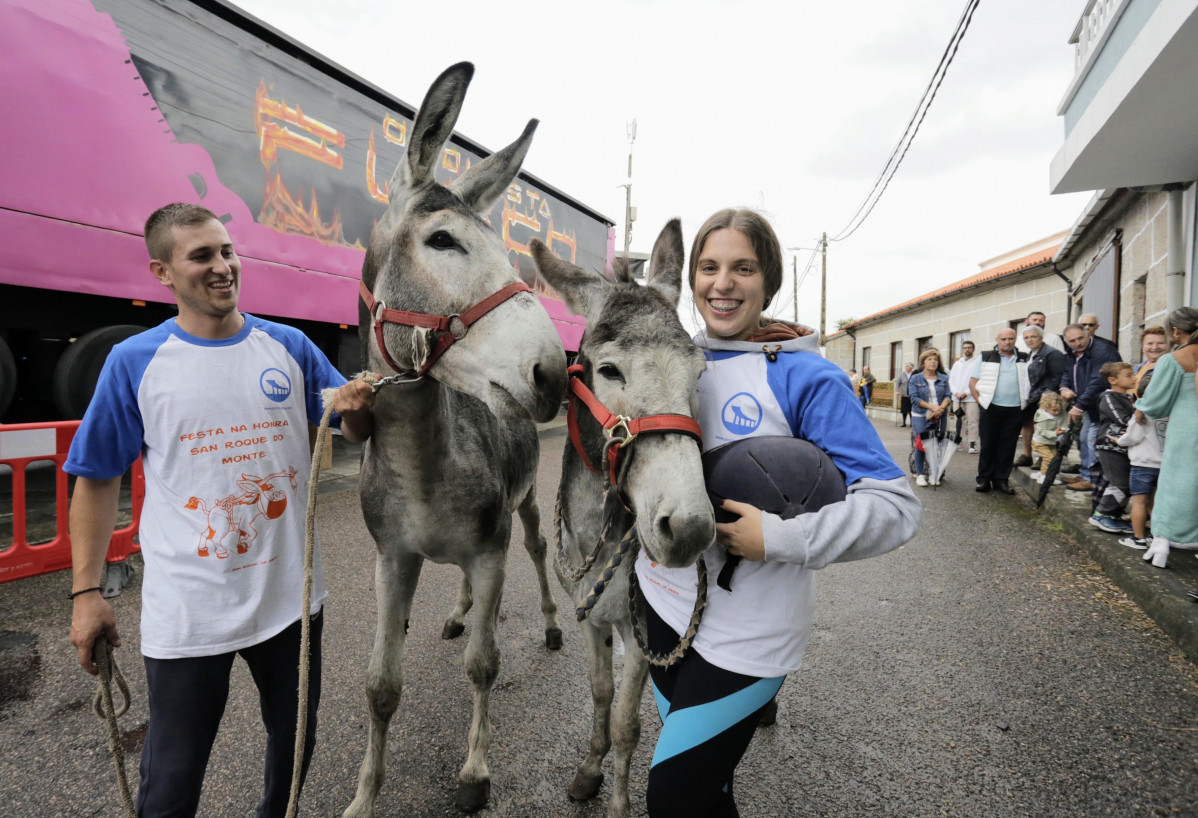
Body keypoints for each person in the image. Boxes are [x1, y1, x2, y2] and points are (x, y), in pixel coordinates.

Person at [66, 203, 377, 818]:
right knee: (173, 778)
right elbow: (97, 478)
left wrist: (357, 402)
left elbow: (355, 431)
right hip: (188, 610)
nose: (222, 267)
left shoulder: (288, 346)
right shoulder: (134, 362)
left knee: (294, 751)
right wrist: (86, 593)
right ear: (162, 271)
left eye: (227, 251)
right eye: (201, 256)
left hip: (289, 602)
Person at [634, 208, 920, 818]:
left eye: (743, 268)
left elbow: (896, 506)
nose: (722, 283)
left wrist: (781, 537)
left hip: (750, 632)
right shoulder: (663, 358)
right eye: (708, 268)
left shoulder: (806, 375)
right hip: (660, 604)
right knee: (709, 786)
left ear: (769, 282)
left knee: (673, 797)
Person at [1138, 306, 1198, 569]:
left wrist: (1140, 404)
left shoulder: (1173, 359)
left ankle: (1162, 542)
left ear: (1175, 331)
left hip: (1187, 429)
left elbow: (1156, 404)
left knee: (1175, 483)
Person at [1059, 322, 1122, 493]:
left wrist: (1079, 405)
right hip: (1090, 405)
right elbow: (1067, 372)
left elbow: (1098, 382)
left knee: (1093, 440)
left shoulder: (1102, 351)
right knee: (1085, 436)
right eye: (1072, 341)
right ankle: (1085, 473)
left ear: (1088, 334)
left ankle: (1092, 478)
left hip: (1103, 404)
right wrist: (1064, 388)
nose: (1077, 343)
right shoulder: (1074, 353)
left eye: (1080, 338)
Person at [969, 328, 1029, 495]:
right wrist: (980, 402)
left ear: (1015, 340)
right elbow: (973, 382)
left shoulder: (1024, 358)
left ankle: (1001, 480)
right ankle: (983, 479)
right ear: (997, 340)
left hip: (1015, 409)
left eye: (1010, 339)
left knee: (1007, 447)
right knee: (988, 444)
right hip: (991, 407)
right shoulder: (986, 356)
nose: (1007, 342)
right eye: (1003, 339)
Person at [1090, 362, 1137, 534]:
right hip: (1109, 446)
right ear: (1113, 380)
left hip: (1124, 446)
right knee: (1120, 483)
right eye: (1128, 375)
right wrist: (1138, 418)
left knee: (1128, 484)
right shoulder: (1108, 397)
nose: (1134, 378)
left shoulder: (1130, 397)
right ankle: (1101, 514)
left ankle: (1115, 515)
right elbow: (1123, 419)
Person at [1114, 407, 1166, 550]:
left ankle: (1139, 538)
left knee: (1139, 502)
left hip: (1142, 464)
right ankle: (1157, 538)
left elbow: (1131, 437)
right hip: (1163, 465)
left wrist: (1118, 440)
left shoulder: (1142, 413)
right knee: (1155, 503)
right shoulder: (1168, 412)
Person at [1017, 326, 1067, 466]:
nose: (1030, 340)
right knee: (1027, 425)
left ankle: (1043, 457)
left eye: (1033, 336)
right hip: (1030, 397)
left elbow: (1058, 377)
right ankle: (1027, 456)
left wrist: (1045, 395)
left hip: (1044, 398)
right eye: (1026, 337)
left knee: (1046, 428)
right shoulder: (1029, 354)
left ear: (1041, 338)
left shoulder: (1052, 354)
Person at [908, 348, 951, 487]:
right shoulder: (915, 378)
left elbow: (948, 396)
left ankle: (934, 473)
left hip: (940, 415)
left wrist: (940, 409)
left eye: (935, 360)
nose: (933, 362)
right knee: (922, 444)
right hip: (921, 415)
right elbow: (914, 398)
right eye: (929, 359)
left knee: (936, 444)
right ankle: (920, 474)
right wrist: (932, 408)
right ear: (923, 363)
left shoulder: (943, 378)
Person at [1031, 391, 1069, 485]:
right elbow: (1042, 431)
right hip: (1040, 441)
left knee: (1055, 458)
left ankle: (1047, 474)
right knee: (1049, 458)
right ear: (1046, 407)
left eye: (1059, 410)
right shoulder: (1042, 417)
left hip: (1052, 441)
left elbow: (1065, 423)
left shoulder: (1062, 413)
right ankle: (1045, 476)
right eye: (1054, 410)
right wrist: (1055, 433)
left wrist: (1064, 429)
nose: (1057, 412)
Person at [948, 341, 979, 453]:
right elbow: (951, 380)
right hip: (957, 397)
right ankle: (958, 442)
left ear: (973, 349)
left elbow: (977, 379)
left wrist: (967, 392)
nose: (967, 350)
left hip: (971, 397)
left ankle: (972, 443)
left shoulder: (977, 362)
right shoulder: (957, 364)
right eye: (965, 348)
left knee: (972, 421)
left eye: (969, 347)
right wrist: (955, 392)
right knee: (958, 420)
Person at [1134, 325, 1169, 397]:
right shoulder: (1136, 368)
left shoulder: (1169, 368)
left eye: (1160, 343)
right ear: (1142, 347)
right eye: (1150, 343)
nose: (1155, 347)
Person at [895, 362, 914, 427]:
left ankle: (912, 423)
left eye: (907, 366)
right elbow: (897, 383)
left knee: (911, 410)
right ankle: (904, 422)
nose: (906, 368)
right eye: (906, 366)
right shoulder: (902, 375)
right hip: (904, 395)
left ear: (911, 368)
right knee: (904, 410)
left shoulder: (914, 374)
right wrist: (897, 391)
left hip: (912, 395)